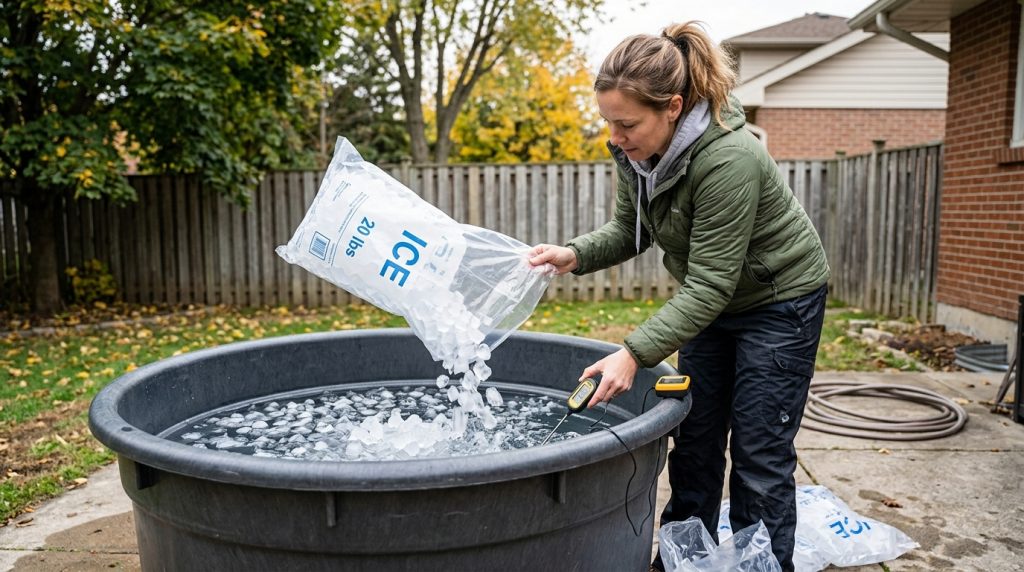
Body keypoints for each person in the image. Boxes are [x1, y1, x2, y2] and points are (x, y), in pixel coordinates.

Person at [528, 21, 830, 572]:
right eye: (609, 123)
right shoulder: (638, 153)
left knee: (759, 458)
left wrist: (632, 353)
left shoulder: (728, 158)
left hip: (778, 302)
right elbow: (630, 230)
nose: (616, 137)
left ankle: (758, 566)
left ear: (672, 106)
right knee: (693, 442)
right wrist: (573, 253)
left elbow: (711, 282)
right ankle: (682, 560)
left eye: (626, 123)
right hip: (713, 305)